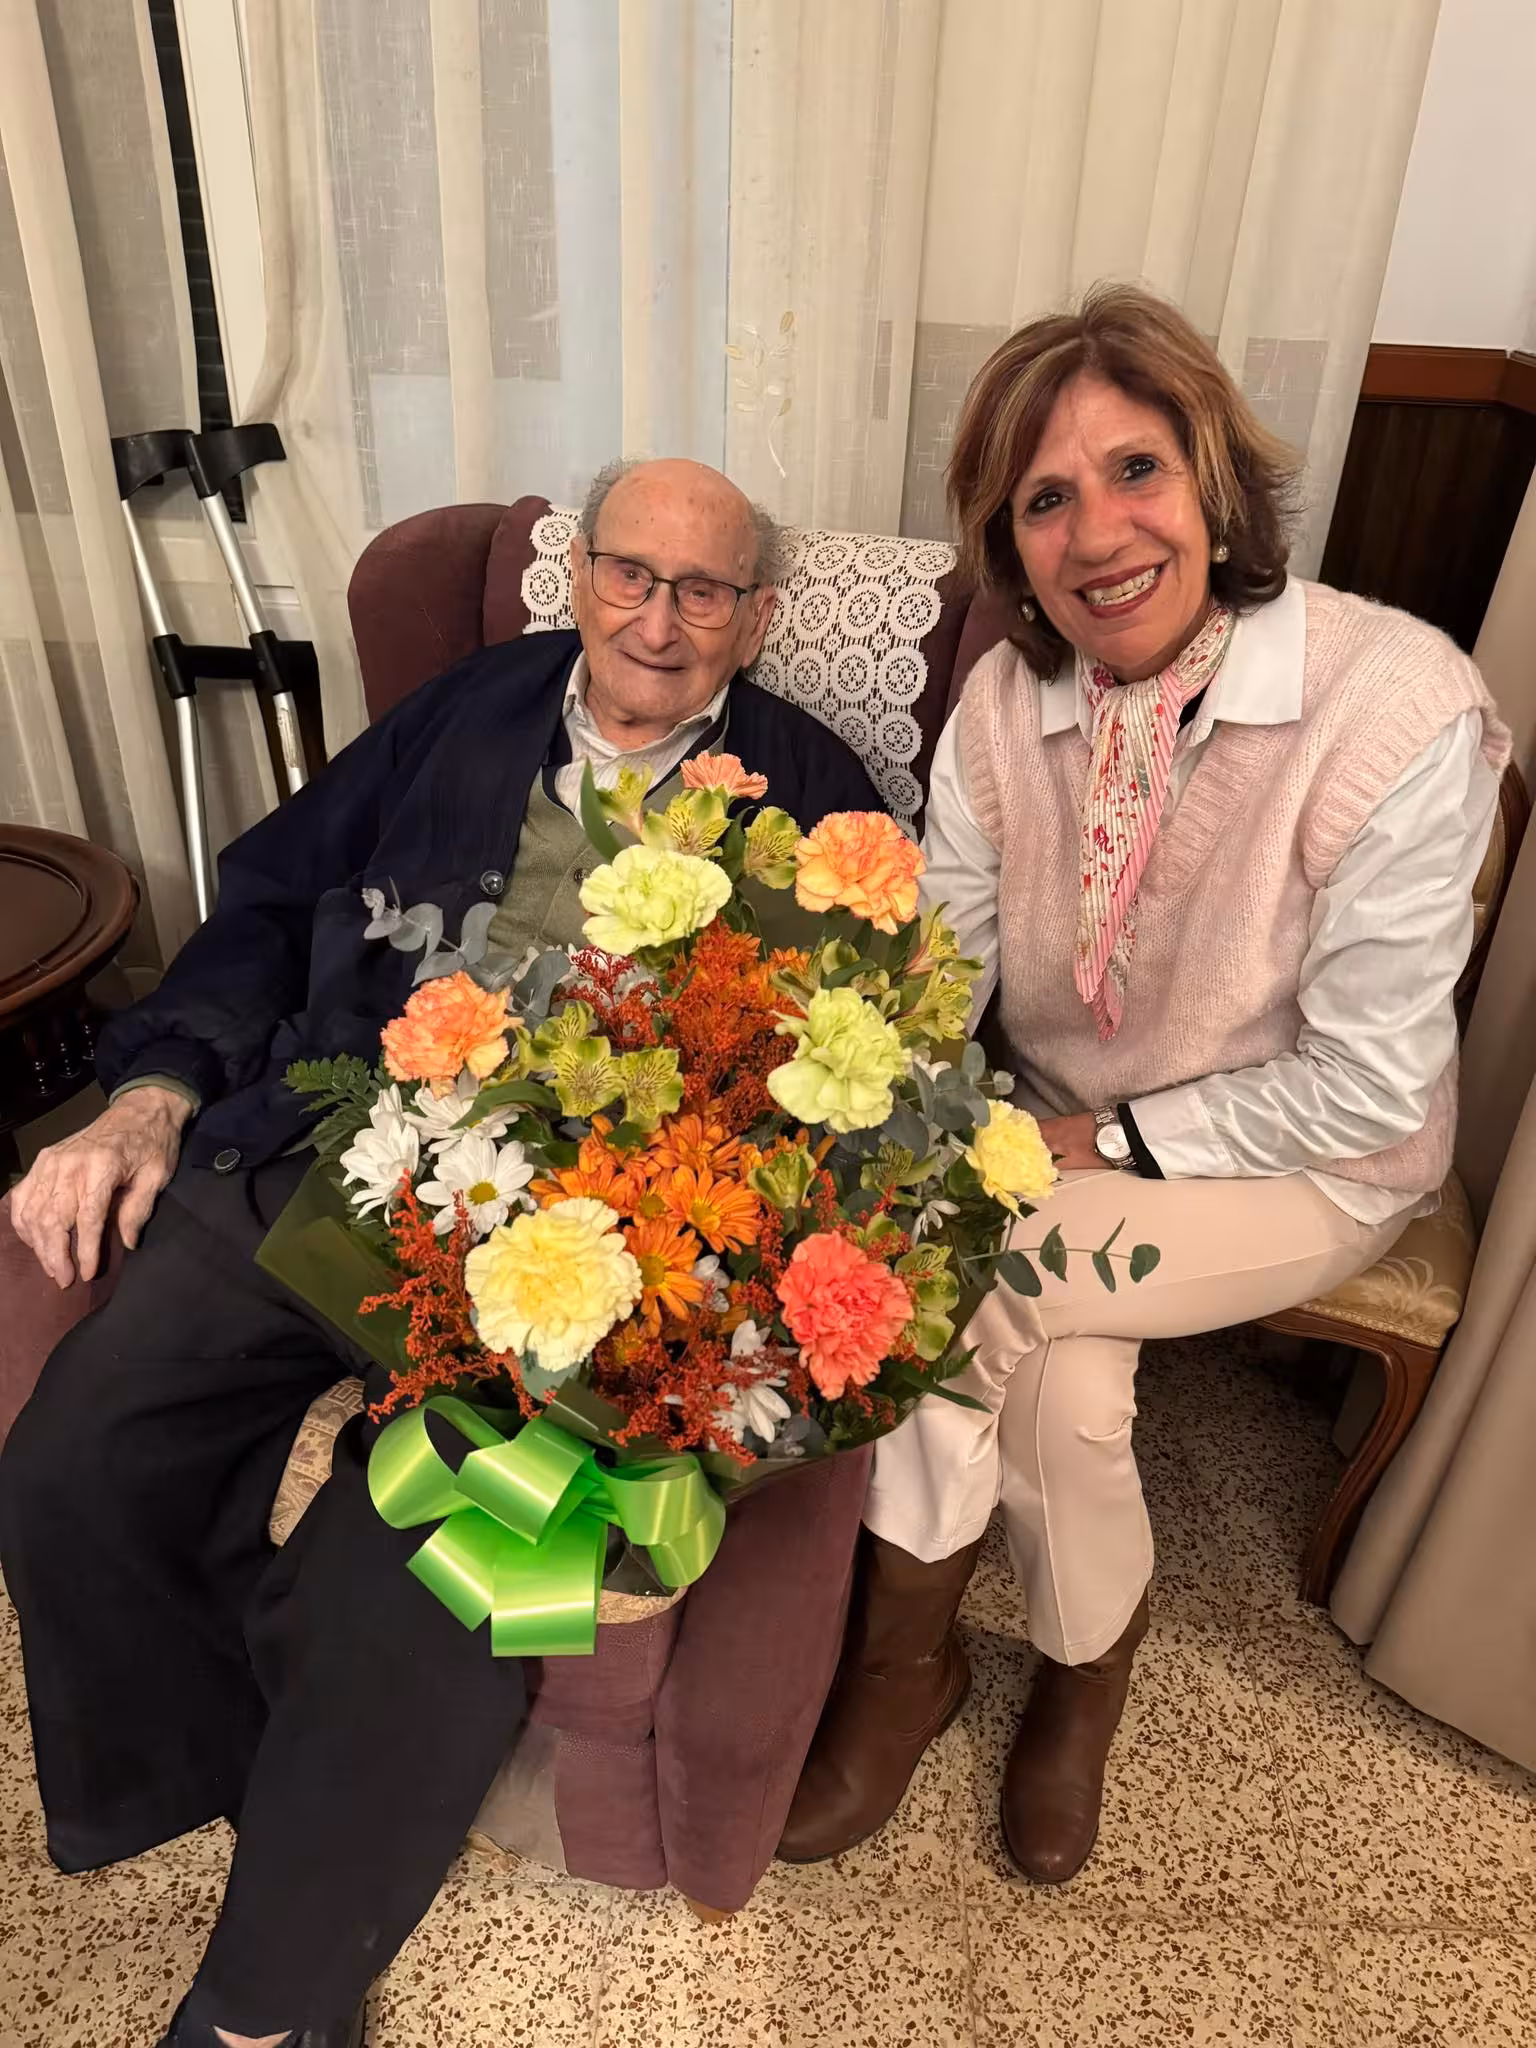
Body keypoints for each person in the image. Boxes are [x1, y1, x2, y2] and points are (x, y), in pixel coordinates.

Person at [0, 457, 880, 2048]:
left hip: (584, 1246)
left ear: (753, 620)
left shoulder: (821, 801)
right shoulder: (464, 712)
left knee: (420, 1578)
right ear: (580, 580)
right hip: (336, 1147)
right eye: (631, 575)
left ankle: (270, 1997)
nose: (659, 623)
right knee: (81, 1446)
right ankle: (220, 1784)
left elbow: (851, 1070)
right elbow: (272, 897)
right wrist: (151, 1089)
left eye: (703, 592)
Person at [778, 286, 1510, 1886]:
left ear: (1218, 484)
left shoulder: (1397, 705)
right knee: (1066, 1383)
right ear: (1009, 543)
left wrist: (1098, 1135)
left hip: (1313, 1162)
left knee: (987, 1284)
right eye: (1046, 499)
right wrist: (859, 1099)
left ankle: (898, 1672)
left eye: (1137, 471)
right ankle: (1074, 1667)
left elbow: (1374, 1072)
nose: (1099, 531)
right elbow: (942, 962)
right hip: (1063, 1127)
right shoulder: (1004, 701)